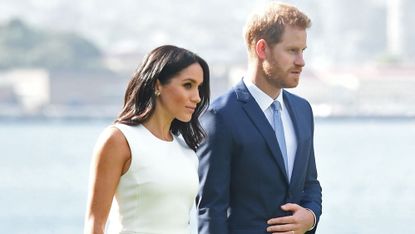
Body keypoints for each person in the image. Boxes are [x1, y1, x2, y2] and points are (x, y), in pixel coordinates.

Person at [197, 2, 322, 234]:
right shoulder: (219, 116)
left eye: (303, 51)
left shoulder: (303, 110)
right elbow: (211, 209)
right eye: (292, 50)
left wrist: (310, 217)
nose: (301, 61)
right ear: (262, 49)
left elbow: (310, 185)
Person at [84, 45, 210, 234]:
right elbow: (95, 224)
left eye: (199, 88)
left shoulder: (187, 151)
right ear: (157, 85)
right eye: (188, 85)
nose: (197, 97)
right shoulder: (119, 140)